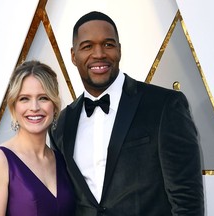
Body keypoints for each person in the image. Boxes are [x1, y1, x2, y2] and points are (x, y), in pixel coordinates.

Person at [49, 11, 204, 215]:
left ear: (119, 50)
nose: (99, 54)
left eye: (108, 44)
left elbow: (187, 199)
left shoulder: (164, 105)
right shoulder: (62, 123)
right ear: (73, 55)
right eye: (87, 46)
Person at [0, 60, 75, 216]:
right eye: (24, 98)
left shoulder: (62, 160)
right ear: (14, 107)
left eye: (43, 98)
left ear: (54, 106)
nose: (34, 107)